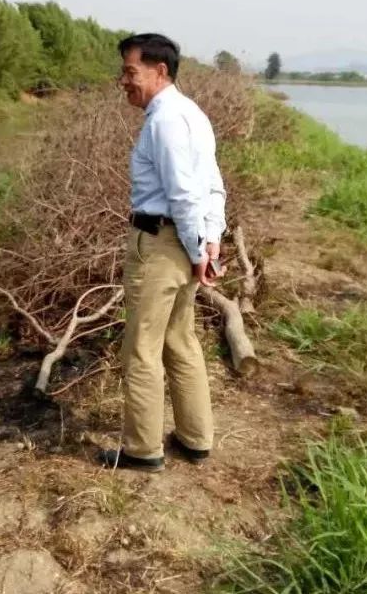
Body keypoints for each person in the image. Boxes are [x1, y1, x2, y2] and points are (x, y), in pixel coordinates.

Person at [98, 33, 227, 473]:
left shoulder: (165, 121)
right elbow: (213, 186)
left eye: (129, 72)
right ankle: (195, 440)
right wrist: (210, 242)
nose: (123, 81)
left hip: (160, 246)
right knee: (180, 339)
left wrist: (197, 251)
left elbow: (185, 194)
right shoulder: (192, 113)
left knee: (142, 349)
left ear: (160, 71)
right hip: (186, 242)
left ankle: (142, 450)